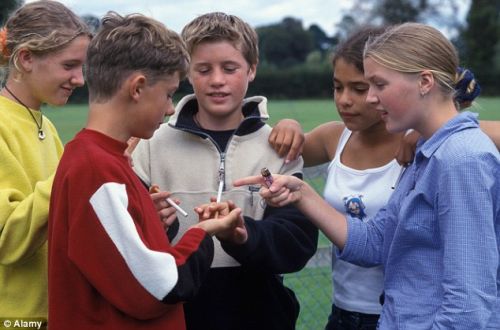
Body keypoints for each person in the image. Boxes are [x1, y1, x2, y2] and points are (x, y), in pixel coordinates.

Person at [235, 22, 500, 330]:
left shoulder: (461, 158)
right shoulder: (429, 153)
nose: (370, 99)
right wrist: (302, 193)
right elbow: (376, 242)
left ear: (425, 82)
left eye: (378, 85)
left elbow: (468, 306)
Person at [48, 12, 245, 330]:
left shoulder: (99, 159)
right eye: (168, 94)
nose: (170, 108)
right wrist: (202, 232)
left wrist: (144, 218)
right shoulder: (96, 169)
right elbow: (158, 288)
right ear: (137, 88)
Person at [131, 12, 318, 330]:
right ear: (188, 73)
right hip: (178, 316)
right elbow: (126, 241)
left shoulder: (278, 148)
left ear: (252, 69)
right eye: (203, 69)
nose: (217, 80)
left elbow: (296, 242)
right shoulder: (149, 145)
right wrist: (153, 224)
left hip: (261, 316)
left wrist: (243, 235)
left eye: (229, 68)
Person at [0, 1, 91, 326]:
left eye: (82, 67)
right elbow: (8, 240)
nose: (79, 79)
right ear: (26, 58)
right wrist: (76, 168)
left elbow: (58, 216)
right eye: (69, 65)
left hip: (55, 314)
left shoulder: (46, 126)